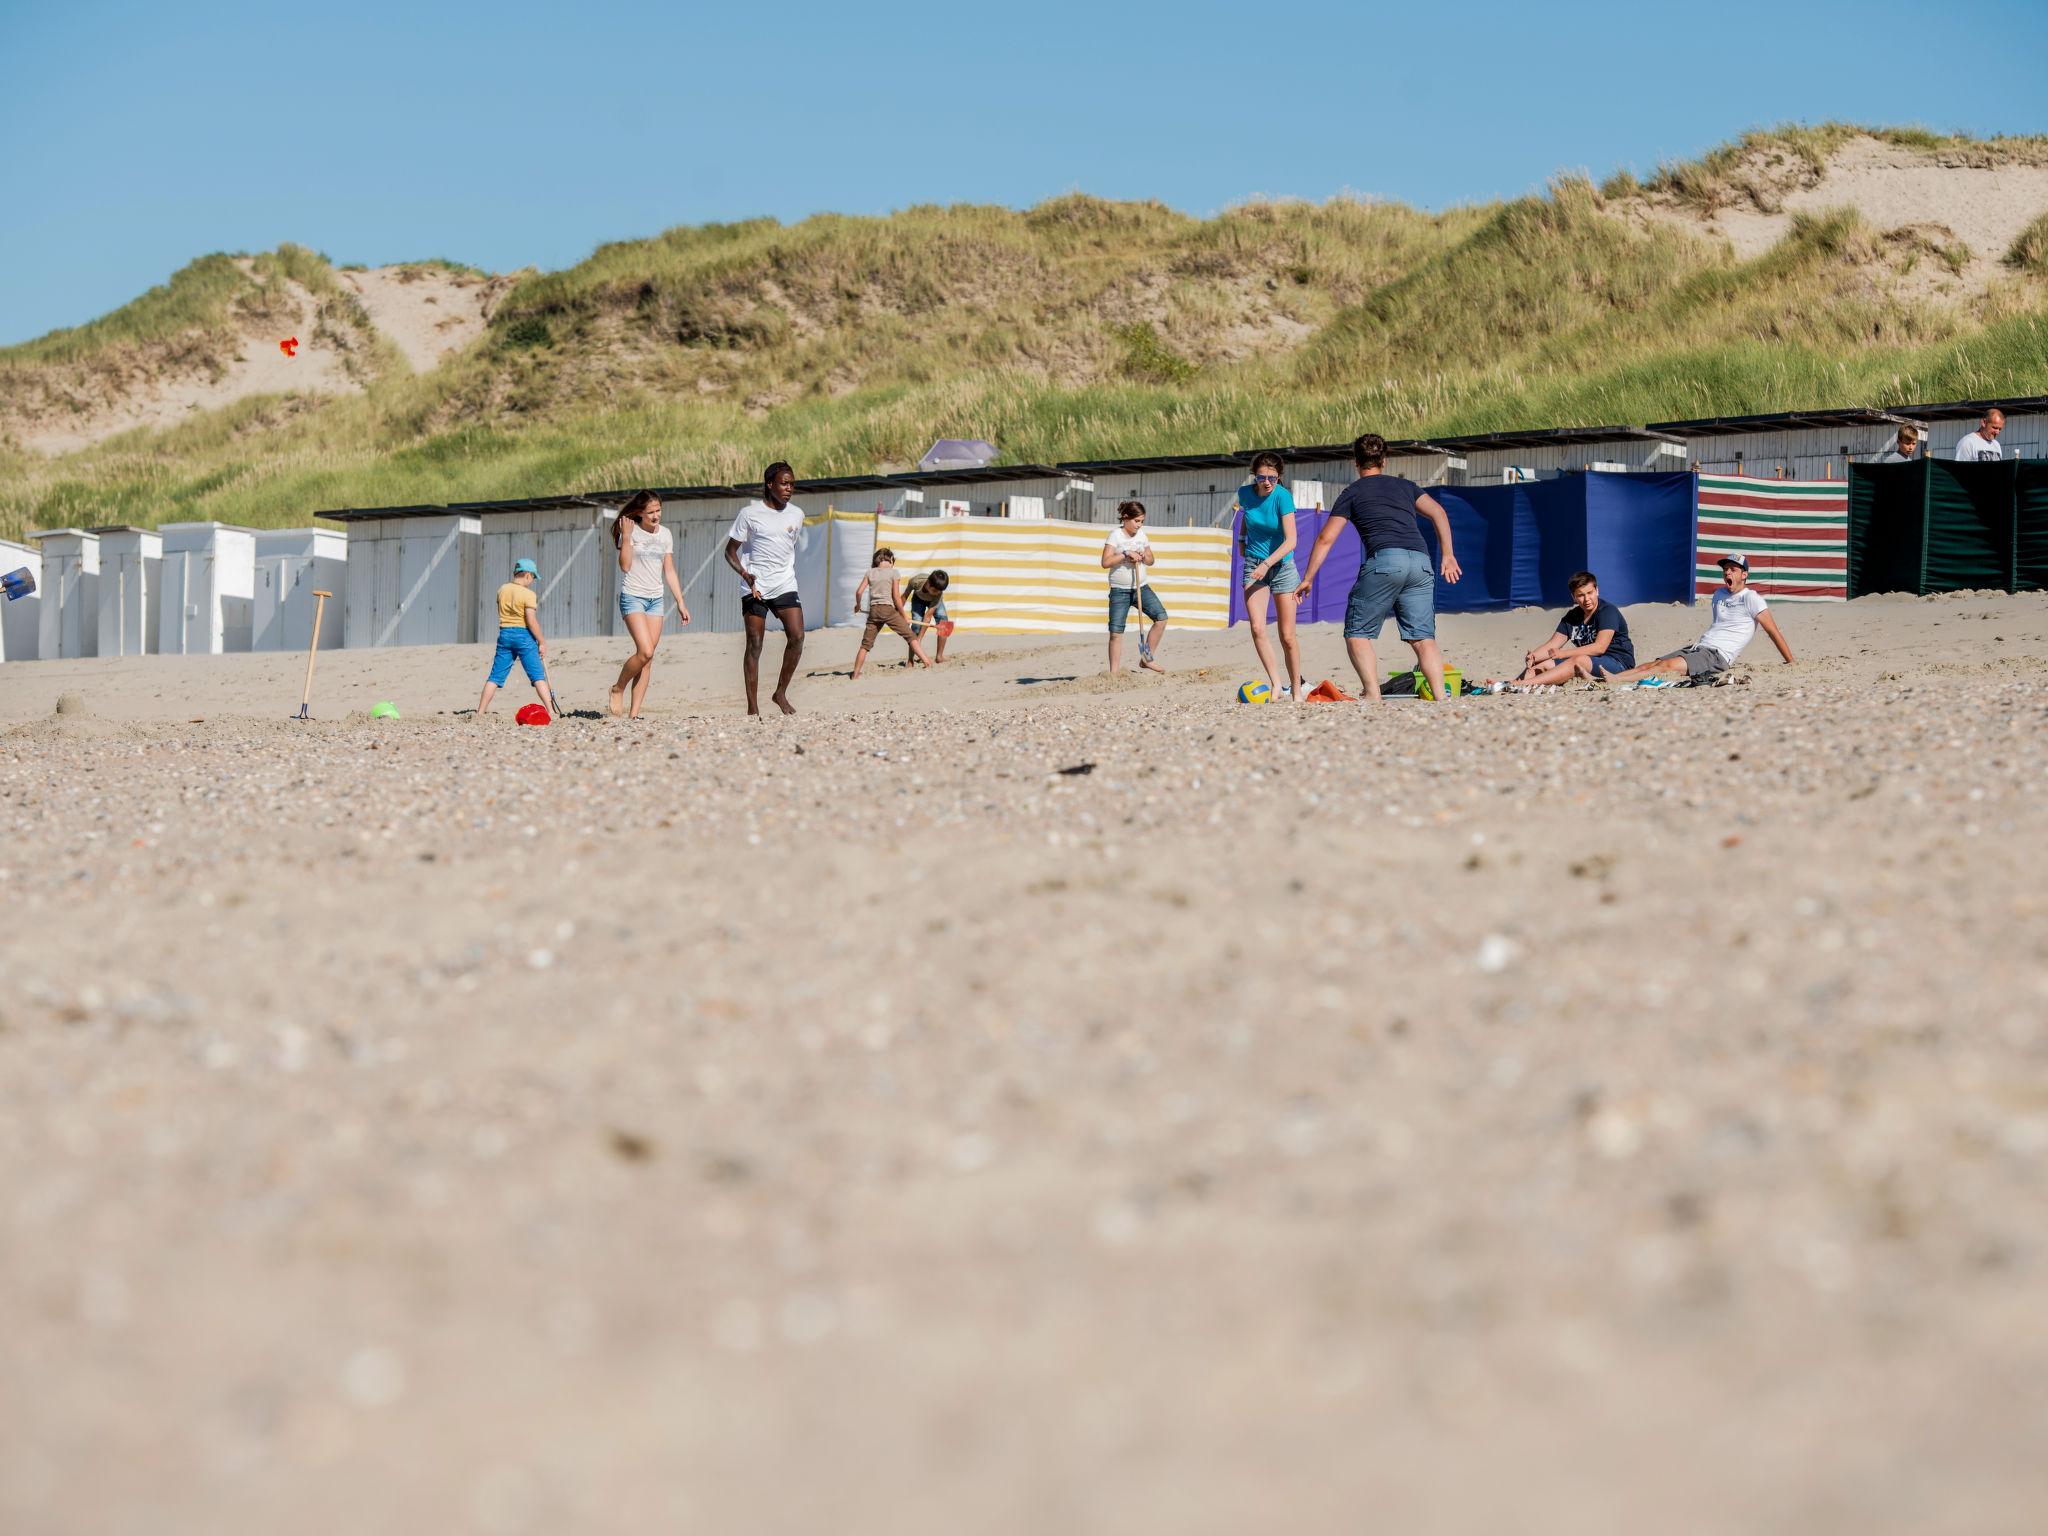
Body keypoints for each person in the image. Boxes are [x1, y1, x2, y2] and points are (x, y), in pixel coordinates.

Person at [1297, 432, 1462, 701]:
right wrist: (1448, 554)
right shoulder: (1406, 487)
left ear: (1355, 462)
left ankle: (1373, 696)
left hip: (1386, 561)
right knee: (1423, 638)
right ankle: (1441, 699)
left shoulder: (1352, 492)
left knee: (1357, 633)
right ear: (1384, 460)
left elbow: (1326, 538)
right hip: (1420, 561)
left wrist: (1308, 578)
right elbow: (1439, 513)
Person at [1599, 553, 1794, 685]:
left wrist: (1791, 662)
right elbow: (1719, 625)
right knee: (1652, 663)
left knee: (1665, 667)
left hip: (1718, 656)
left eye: (1733, 569)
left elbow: (1772, 631)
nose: (1727, 572)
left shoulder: (1751, 598)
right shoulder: (1719, 595)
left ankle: (1616, 680)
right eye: (1725, 569)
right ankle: (1610, 677)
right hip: (1699, 646)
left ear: (1744, 575)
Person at [724, 462, 806, 716]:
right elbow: (730, 552)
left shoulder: (797, 514)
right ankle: (752, 708)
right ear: (770, 484)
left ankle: (780, 693)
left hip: (784, 583)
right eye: (784, 483)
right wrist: (745, 574)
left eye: (792, 483)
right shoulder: (750, 514)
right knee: (755, 644)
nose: (789, 488)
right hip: (755, 585)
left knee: (797, 636)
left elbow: (787, 548)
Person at [608, 490, 692, 720]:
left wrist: (681, 602)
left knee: (648, 658)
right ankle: (618, 688)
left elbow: (669, 570)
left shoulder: (665, 534)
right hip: (633, 596)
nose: (656, 516)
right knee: (644, 650)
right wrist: (626, 537)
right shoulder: (630, 531)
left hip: (656, 600)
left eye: (658, 510)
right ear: (639, 513)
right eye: (650, 512)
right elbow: (625, 566)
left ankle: (634, 716)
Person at [1236, 450, 1303, 701]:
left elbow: (1292, 540)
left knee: (1287, 636)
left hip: (1282, 566)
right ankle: (1276, 684)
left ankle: (1296, 688)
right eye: (1262, 477)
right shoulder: (1245, 493)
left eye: (1272, 478)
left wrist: (1267, 563)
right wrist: (1242, 538)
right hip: (1254, 563)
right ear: (1254, 476)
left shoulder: (1283, 498)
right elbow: (1247, 516)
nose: (1266, 482)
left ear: (1278, 478)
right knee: (1257, 628)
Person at [1502, 570, 1635, 686]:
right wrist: (1534, 656)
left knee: (1577, 660)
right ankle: (1510, 685)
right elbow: (1552, 645)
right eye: (1581, 595)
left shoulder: (1607, 611)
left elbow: (1599, 648)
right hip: (1588, 660)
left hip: (1619, 663)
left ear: (1597, 590)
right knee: (1544, 664)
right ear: (1574, 597)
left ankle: (1524, 684)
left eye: (1590, 593)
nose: (1586, 599)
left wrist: (1563, 654)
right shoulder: (1572, 616)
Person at [477, 558, 559, 717]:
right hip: (523, 636)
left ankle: (480, 712)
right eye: (533, 577)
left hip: (505, 634)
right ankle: (551, 711)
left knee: (495, 676)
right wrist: (541, 641)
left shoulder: (502, 590)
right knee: (537, 676)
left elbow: (501, 611)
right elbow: (531, 620)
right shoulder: (528, 594)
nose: (533, 581)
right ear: (528, 575)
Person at [1103, 500, 1167, 674]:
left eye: (1142, 521)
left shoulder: (1142, 536)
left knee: (1161, 618)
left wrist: (1142, 556)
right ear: (1125, 518)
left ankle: (1147, 658)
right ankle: (1113, 674)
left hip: (1141, 587)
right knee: (1116, 632)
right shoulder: (1115, 535)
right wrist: (1124, 553)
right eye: (1136, 521)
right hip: (1119, 590)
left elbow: (1151, 560)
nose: (1139, 525)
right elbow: (1105, 562)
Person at [851, 547, 932, 678]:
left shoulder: (869, 572)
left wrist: (858, 605)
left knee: (865, 645)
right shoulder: (894, 573)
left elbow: (859, 592)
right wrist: (903, 615)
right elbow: (896, 596)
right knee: (910, 636)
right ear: (891, 560)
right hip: (888, 609)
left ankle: (855, 674)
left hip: (874, 611)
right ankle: (927, 662)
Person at [904, 569, 952, 664]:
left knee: (945, 623)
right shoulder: (915, 581)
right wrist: (899, 613)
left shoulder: (938, 594)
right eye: (935, 590)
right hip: (918, 599)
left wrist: (919, 639)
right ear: (928, 584)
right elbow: (904, 596)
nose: (937, 593)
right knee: (916, 627)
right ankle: (910, 660)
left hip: (934, 602)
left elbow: (928, 617)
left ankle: (939, 657)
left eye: (939, 591)